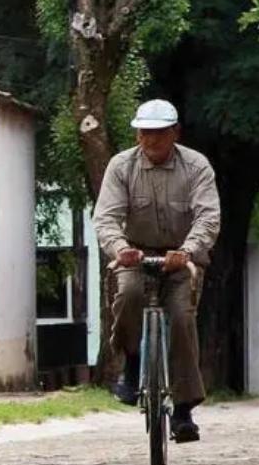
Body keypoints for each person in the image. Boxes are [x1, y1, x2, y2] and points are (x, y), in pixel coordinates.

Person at [92, 99, 220, 443]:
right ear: (137, 134)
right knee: (129, 295)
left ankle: (183, 411)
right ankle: (133, 365)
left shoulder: (197, 167)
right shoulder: (121, 166)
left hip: (182, 258)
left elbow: (208, 217)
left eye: (159, 134)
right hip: (136, 254)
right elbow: (106, 217)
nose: (151, 142)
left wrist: (188, 250)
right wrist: (121, 249)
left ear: (175, 133)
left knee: (181, 317)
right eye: (145, 134)